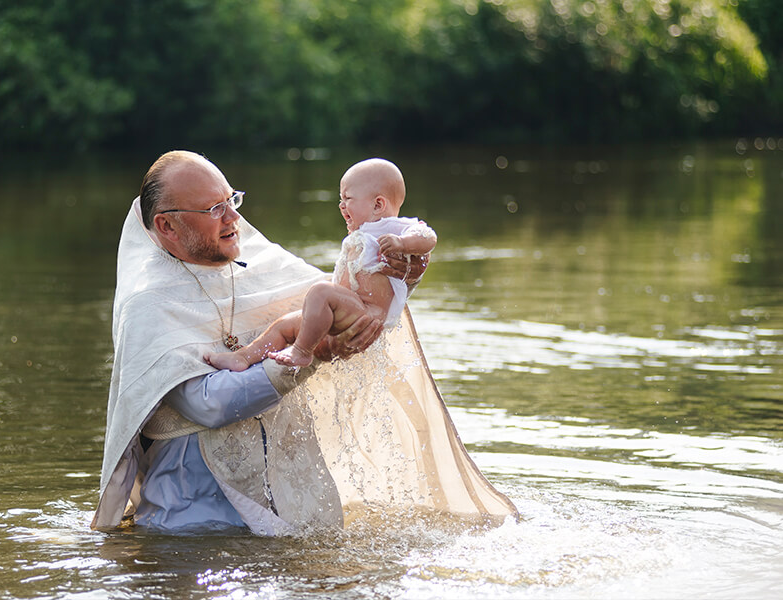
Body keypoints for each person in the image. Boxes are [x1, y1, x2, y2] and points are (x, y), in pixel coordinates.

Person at [91, 150, 518, 535]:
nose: (232, 218)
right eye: (214, 208)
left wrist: (397, 279)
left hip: (295, 511)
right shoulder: (147, 303)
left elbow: (346, 303)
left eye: (231, 201)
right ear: (167, 225)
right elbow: (206, 404)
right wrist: (304, 357)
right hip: (195, 523)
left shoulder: (260, 268)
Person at [204, 158, 436, 372]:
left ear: (377, 205)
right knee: (284, 324)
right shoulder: (362, 231)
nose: (341, 206)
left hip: (367, 314)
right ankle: (244, 357)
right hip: (346, 307)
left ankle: (302, 352)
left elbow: (428, 237)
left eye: (348, 199)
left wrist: (403, 243)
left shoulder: (394, 228)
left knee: (320, 291)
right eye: (340, 199)